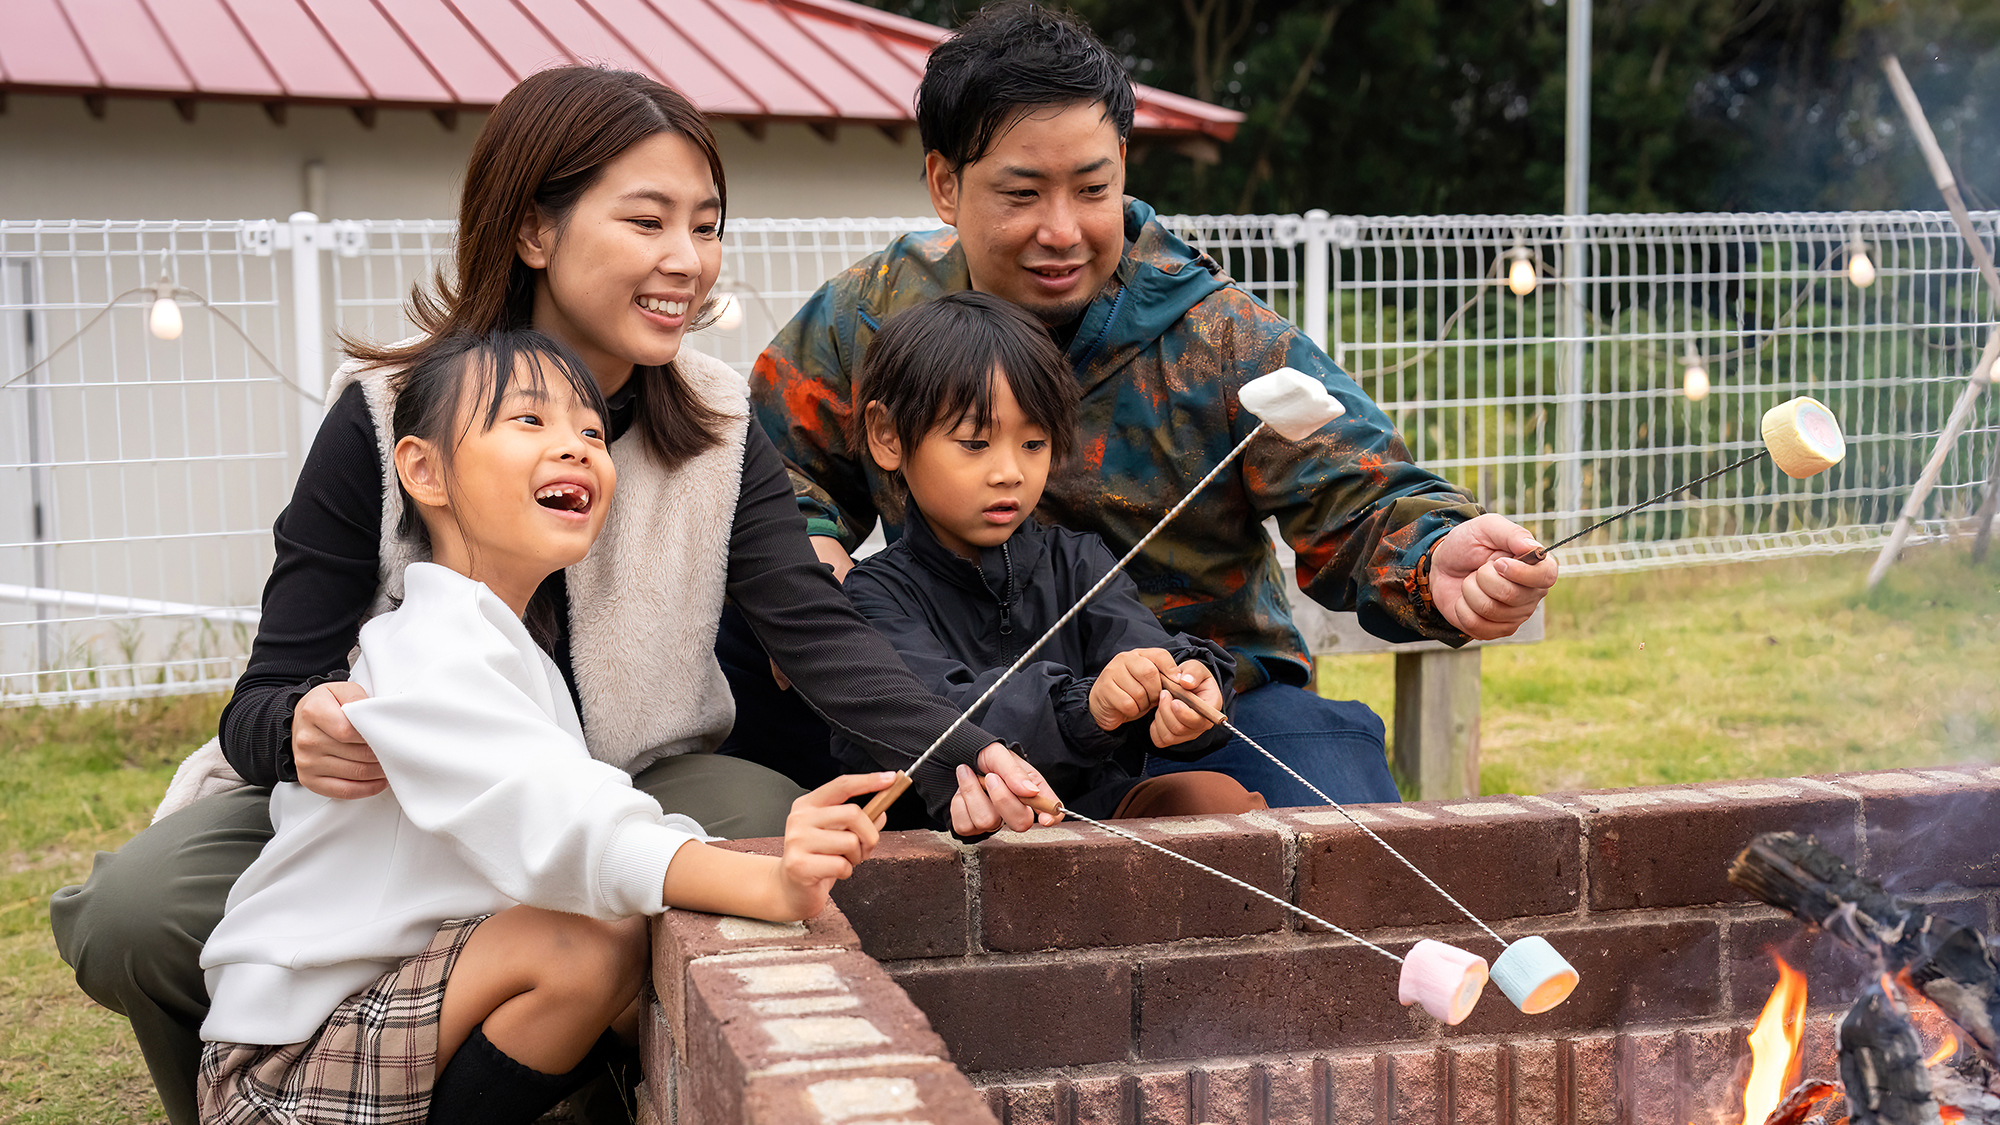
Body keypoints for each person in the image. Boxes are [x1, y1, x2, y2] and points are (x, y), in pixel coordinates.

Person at [51, 66, 1057, 1125]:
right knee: (133, 913)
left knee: (755, 823)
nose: (686, 260)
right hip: (381, 814)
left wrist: (964, 749)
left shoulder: (718, 421)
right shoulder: (386, 417)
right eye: (647, 221)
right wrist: (300, 731)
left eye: (706, 225)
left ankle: (593, 1084)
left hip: (626, 773)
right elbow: (265, 694)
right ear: (534, 229)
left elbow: (816, 631)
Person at [744, 1, 1558, 809]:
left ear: (1124, 166)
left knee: (1340, 821)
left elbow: (1359, 492)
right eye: (1022, 193)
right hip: (950, 698)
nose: (1061, 230)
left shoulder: (1219, 334)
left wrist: (1433, 556)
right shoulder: (871, 315)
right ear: (945, 183)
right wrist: (811, 570)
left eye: (1091, 188)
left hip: (1201, 707)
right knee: (751, 674)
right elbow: (769, 469)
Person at [197, 327, 895, 1125]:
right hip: (283, 1064)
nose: (575, 447)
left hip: (392, 994)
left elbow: (585, 812)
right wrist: (767, 882)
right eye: (529, 420)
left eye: (592, 432)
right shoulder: (431, 649)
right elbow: (568, 826)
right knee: (587, 944)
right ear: (422, 470)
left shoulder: (507, 644)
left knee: (617, 929)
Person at [837, 292, 1267, 825]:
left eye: (1034, 443)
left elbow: (1142, 649)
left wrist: (1188, 688)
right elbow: (944, 714)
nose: (1010, 473)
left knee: (1212, 801)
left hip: (1089, 818)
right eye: (974, 442)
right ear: (888, 436)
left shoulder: (1079, 562)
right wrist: (1088, 707)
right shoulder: (871, 596)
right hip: (944, 834)